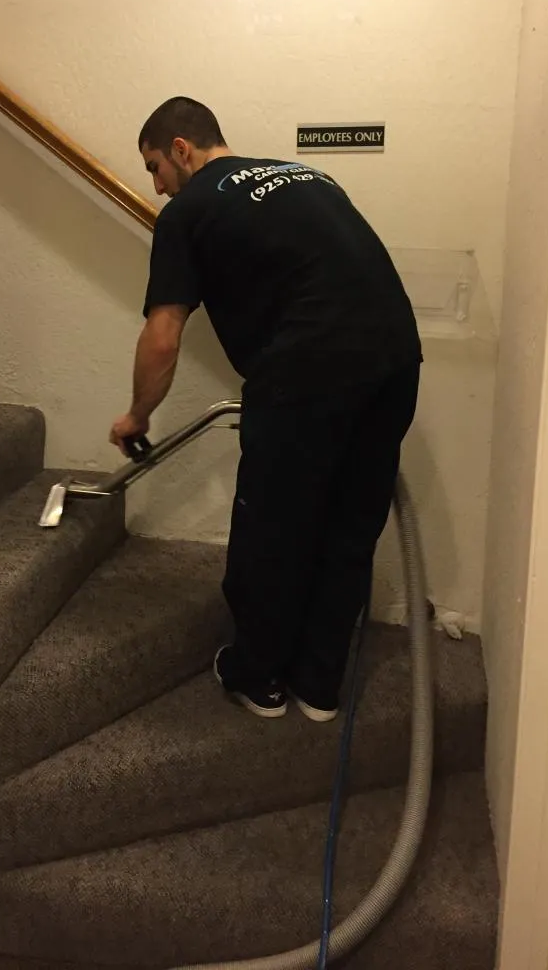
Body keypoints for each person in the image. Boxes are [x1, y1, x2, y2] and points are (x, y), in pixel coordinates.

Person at [109, 97, 421, 722]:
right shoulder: (308, 175)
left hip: (305, 370)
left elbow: (164, 333)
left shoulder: (188, 212)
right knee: (351, 524)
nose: (155, 186)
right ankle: (321, 686)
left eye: (153, 168)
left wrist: (138, 414)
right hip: (395, 360)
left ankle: (258, 676)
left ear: (180, 148)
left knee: (272, 529)